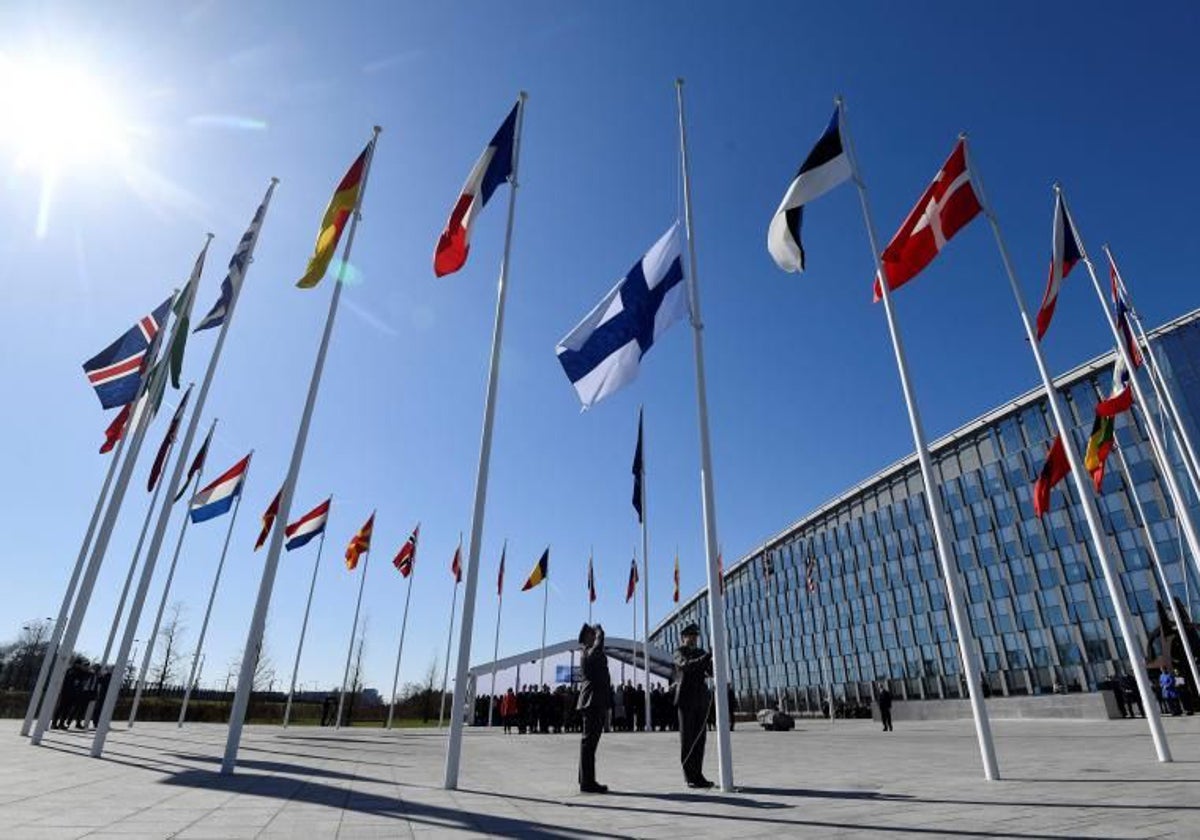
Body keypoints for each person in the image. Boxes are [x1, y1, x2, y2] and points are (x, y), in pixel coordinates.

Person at [673, 623, 714, 789]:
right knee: (688, 739)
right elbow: (685, 666)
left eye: (695, 636)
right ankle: (689, 775)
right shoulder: (679, 652)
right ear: (684, 637)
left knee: (700, 739)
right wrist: (705, 658)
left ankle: (698, 774)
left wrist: (713, 658)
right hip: (686, 699)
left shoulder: (701, 652)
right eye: (690, 636)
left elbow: (710, 672)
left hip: (701, 699)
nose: (693, 639)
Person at [577, 623, 611, 794]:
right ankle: (587, 782)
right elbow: (598, 648)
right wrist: (600, 632)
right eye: (592, 634)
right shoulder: (588, 652)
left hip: (596, 701)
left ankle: (585, 779)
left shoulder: (591, 653)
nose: (595, 637)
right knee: (589, 744)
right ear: (587, 638)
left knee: (589, 744)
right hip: (592, 702)